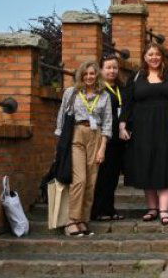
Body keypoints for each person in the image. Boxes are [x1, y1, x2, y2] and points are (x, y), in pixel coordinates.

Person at [120, 43, 168, 226]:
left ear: (162, 57)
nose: (154, 58)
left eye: (157, 54)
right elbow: (127, 104)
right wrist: (122, 126)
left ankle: (164, 210)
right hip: (142, 129)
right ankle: (152, 208)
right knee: (147, 166)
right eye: (150, 54)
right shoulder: (136, 77)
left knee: (166, 165)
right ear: (144, 57)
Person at [56, 60, 113, 236]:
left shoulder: (104, 95)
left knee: (91, 181)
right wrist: (59, 145)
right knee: (79, 179)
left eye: (92, 73)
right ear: (81, 75)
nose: (89, 76)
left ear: (97, 75)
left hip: (95, 136)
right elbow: (61, 118)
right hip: (76, 134)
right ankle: (71, 220)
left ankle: (83, 220)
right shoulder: (71, 93)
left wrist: (102, 148)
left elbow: (108, 123)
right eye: (86, 73)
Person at [91, 55, 125, 221]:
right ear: (101, 70)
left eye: (115, 68)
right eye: (108, 68)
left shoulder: (121, 87)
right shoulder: (99, 89)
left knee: (112, 176)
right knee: (102, 175)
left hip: (118, 139)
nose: (112, 71)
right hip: (104, 137)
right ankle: (98, 210)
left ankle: (109, 208)